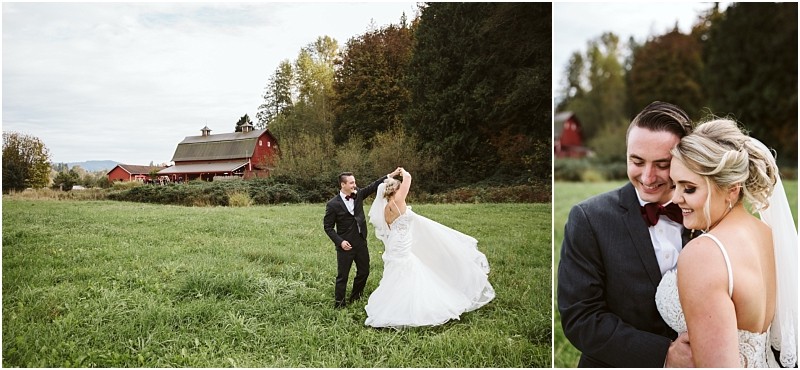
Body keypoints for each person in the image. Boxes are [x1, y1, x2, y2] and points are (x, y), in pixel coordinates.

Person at [557, 101, 695, 367]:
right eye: (637, 161)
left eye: (662, 164)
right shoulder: (589, 219)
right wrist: (664, 355)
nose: (648, 177)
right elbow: (581, 318)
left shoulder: (708, 217)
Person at [655, 118, 797, 367]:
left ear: (732, 189)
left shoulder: (704, 254)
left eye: (689, 188)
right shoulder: (767, 235)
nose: (675, 198)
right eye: (675, 185)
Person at [364, 168, 495, 328]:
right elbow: (408, 178)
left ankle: (392, 303)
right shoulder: (399, 200)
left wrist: (392, 176)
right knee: (407, 268)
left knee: (398, 269)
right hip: (402, 242)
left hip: (394, 243)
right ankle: (410, 306)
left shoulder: (386, 208)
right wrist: (402, 171)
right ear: (396, 189)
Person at [324, 168, 402, 309]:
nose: (354, 185)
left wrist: (392, 174)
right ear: (343, 184)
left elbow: (374, 185)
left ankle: (356, 297)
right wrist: (340, 242)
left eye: (354, 182)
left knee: (364, 271)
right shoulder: (332, 204)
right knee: (343, 276)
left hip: (360, 242)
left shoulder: (358, 194)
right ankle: (339, 304)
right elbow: (328, 227)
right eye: (351, 183)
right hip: (345, 245)